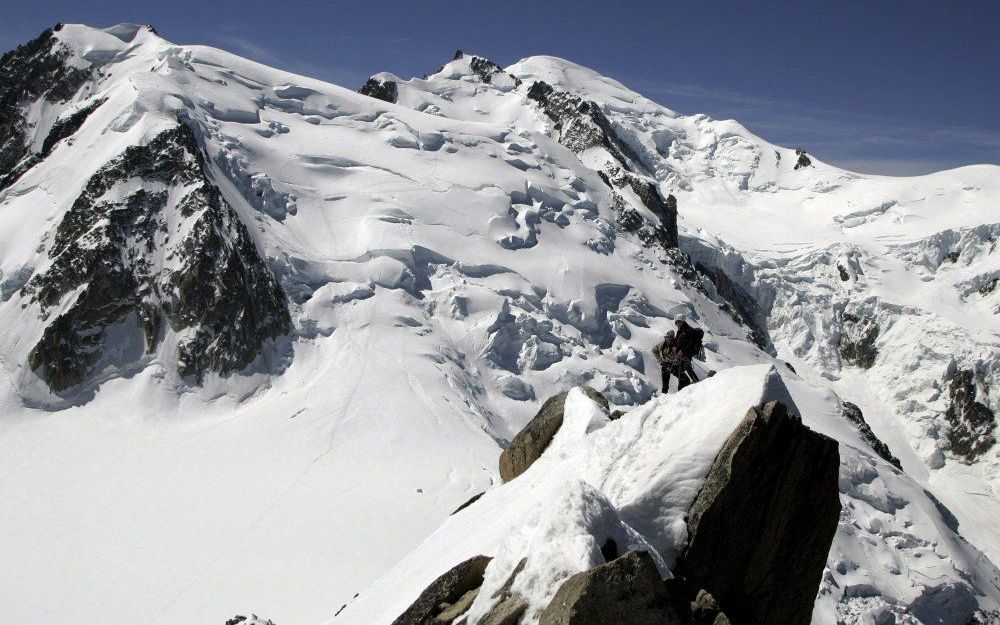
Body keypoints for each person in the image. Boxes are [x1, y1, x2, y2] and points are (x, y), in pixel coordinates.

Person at [671, 316, 704, 390]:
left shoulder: (688, 330)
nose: (677, 323)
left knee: (679, 370)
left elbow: (691, 344)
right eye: (676, 322)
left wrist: (682, 350)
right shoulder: (680, 331)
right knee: (683, 368)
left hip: (685, 354)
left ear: (683, 321)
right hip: (681, 355)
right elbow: (677, 342)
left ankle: (683, 388)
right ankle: (695, 381)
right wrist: (674, 347)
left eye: (679, 321)